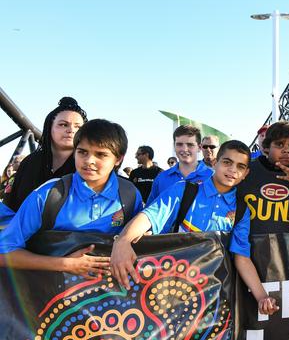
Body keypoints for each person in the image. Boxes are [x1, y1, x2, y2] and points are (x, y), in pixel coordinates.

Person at [109, 140, 278, 316]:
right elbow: (149, 216)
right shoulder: (184, 190)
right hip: (168, 289)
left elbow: (241, 257)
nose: (233, 170)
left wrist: (261, 297)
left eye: (240, 166)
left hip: (212, 299)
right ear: (215, 163)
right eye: (227, 162)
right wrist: (123, 241)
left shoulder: (242, 211)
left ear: (245, 173)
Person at [0, 119, 142, 276]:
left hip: (113, 298)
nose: (89, 161)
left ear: (118, 159)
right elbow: (4, 253)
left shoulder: (130, 195)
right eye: (82, 152)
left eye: (101, 154)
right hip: (52, 295)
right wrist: (65, 264)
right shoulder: (49, 194)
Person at [5, 97, 87, 212]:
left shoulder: (89, 165)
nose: (71, 130)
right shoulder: (29, 163)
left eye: (78, 127)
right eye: (63, 125)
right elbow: (9, 205)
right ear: (49, 127)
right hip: (20, 227)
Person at [147, 125, 213, 204]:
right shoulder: (161, 179)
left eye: (190, 145)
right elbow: (150, 211)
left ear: (199, 147)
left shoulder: (213, 177)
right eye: (179, 144)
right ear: (174, 146)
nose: (184, 149)